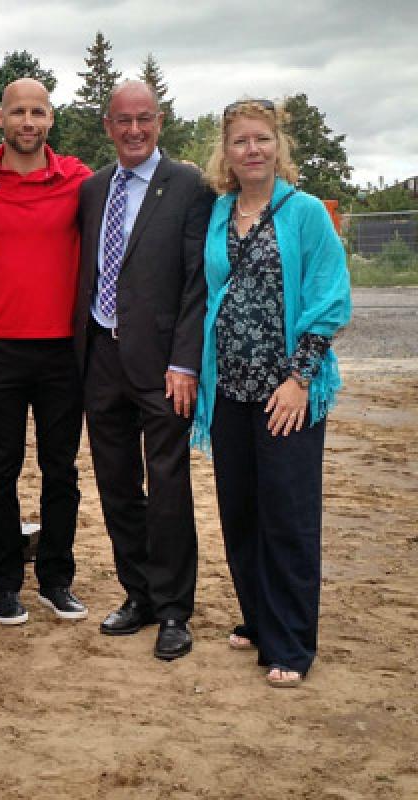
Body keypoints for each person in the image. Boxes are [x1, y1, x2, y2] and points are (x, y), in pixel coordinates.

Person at [192, 98, 351, 687]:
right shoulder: (219, 212)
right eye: (240, 142)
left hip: (289, 390)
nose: (251, 150)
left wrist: (298, 379)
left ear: (277, 147)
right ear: (226, 153)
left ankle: (291, 643)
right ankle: (259, 618)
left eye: (261, 139)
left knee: (287, 514)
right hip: (229, 387)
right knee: (241, 511)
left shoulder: (306, 212)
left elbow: (329, 298)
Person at [74, 80, 211, 660]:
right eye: (123, 120)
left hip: (163, 367)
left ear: (160, 122)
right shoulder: (92, 188)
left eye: (145, 119)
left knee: (169, 488)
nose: (134, 130)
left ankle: (176, 609)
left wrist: (185, 361)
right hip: (100, 355)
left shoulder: (188, 186)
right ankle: (140, 595)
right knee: (116, 484)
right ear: (108, 126)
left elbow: (195, 282)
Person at [0, 78, 93, 625]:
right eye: (18, 112)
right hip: (1, 347)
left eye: (38, 112)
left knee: (62, 470)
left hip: (63, 352)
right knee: (0, 469)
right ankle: (6, 584)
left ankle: (56, 580)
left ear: (50, 118)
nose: (28, 122)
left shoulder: (78, 178)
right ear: (0, 117)